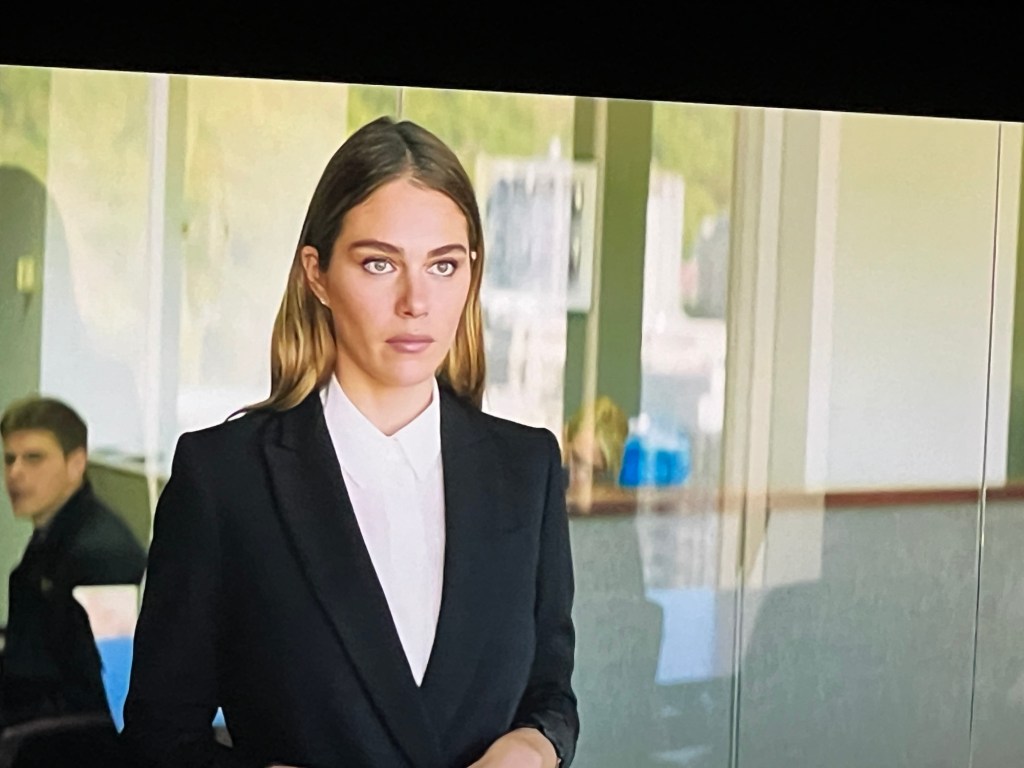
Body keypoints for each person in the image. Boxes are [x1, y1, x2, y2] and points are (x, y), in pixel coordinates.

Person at [120, 116, 579, 768]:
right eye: (379, 264)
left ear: (471, 273)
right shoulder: (225, 480)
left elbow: (550, 693)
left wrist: (533, 750)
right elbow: (158, 741)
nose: (416, 301)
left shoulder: (527, 470)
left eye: (443, 265)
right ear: (317, 274)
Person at [0, 396, 147, 730]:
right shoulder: (56, 532)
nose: (15, 473)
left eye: (34, 458)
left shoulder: (99, 554)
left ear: (76, 463)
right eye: (9, 459)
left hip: (60, 734)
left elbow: (101, 693)